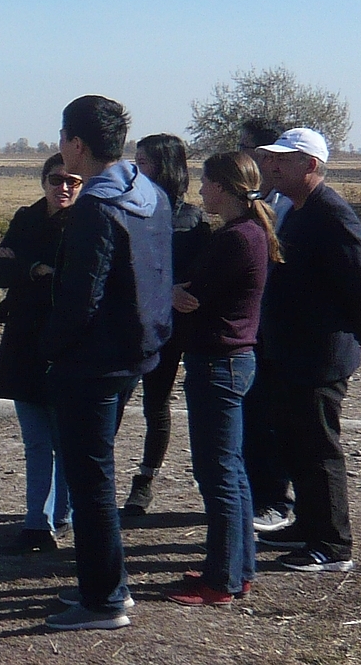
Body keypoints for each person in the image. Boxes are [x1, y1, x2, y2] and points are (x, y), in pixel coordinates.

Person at [42, 95, 173, 631]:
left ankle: (105, 599)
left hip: (92, 363)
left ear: (75, 144)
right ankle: (107, 585)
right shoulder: (148, 192)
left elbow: (81, 298)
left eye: (62, 138)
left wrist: (49, 350)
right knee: (98, 474)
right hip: (137, 351)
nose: (60, 149)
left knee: (90, 480)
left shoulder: (94, 207)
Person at [253, 128, 361, 572]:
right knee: (294, 443)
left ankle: (332, 547)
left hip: (319, 354)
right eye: (271, 159)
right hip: (290, 350)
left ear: (310, 166)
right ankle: (309, 525)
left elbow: (358, 287)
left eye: (283, 161)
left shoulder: (332, 215)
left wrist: (359, 330)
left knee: (318, 448)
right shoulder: (295, 209)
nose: (272, 166)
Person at [165, 152, 279, 606]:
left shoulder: (235, 239)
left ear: (226, 187)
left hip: (219, 363)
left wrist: (170, 291)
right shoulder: (245, 233)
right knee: (231, 471)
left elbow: (192, 296)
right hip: (231, 361)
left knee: (218, 476)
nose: (201, 191)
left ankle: (222, 582)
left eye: (207, 183)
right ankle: (237, 568)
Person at [0, 154, 80, 553]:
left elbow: (76, 278)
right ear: (42, 181)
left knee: (67, 439)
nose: (63, 188)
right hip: (25, 343)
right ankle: (36, 524)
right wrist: (34, 269)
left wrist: (25, 264)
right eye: (56, 180)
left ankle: (63, 514)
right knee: (37, 440)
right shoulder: (25, 218)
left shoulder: (88, 221)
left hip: (68, 344)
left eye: (72, 181)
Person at [116, 133, 211, 517]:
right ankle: (94, 479)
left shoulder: (193, 220)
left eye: (144, 160)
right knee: (115, 401)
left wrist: (174, 291)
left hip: (170, 331)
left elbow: (200, 277)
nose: (136, 167)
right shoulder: (127, 209)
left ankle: (145, 481)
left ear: (167, 166)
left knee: (157, 403)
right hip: (127, 324)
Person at [237, 117, 298, 533]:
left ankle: (277, 501)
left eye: (247, 148)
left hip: (282, 333)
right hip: (257, 330)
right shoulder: (259, 202)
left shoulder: (289, 206)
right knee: (253, 417)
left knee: (274, 419)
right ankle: (258, 495)